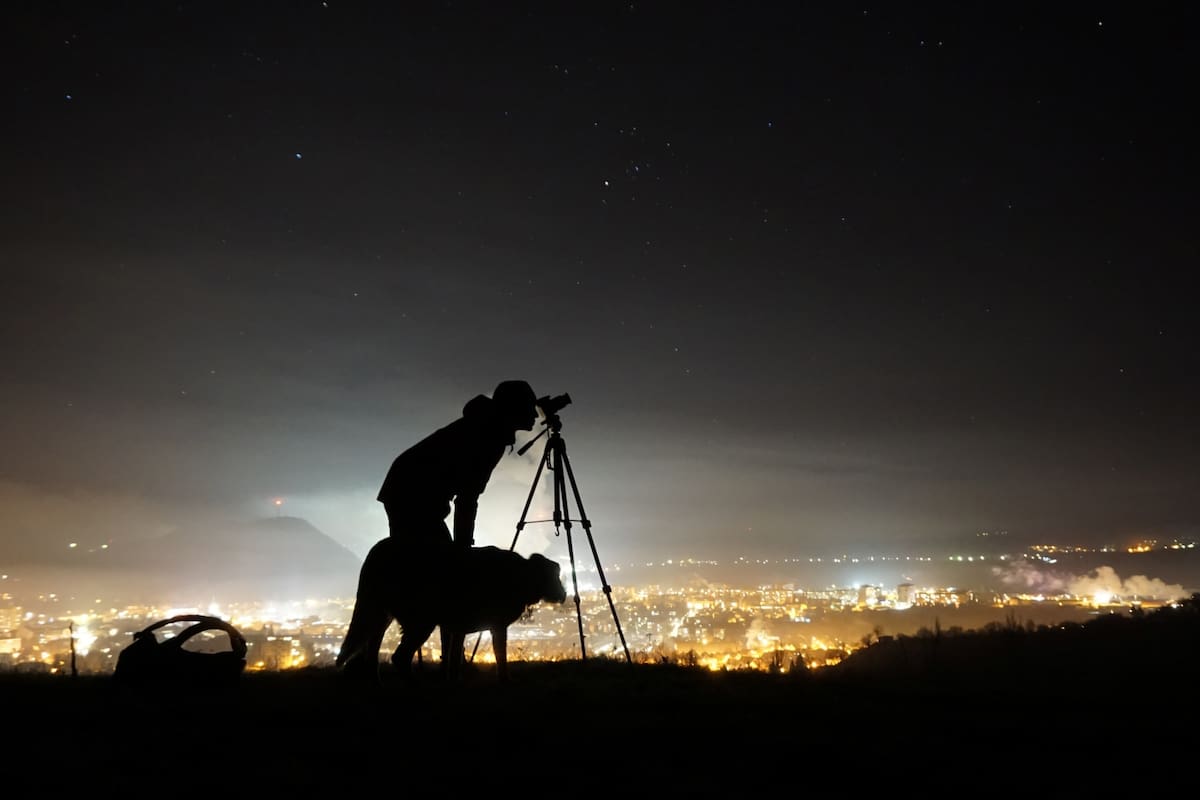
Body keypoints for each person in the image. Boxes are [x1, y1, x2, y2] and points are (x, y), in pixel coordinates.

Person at [337, 379, 539, 680]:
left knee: (421, 576)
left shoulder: (485, 426)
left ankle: (382, 663)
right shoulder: (489, 436)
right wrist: (463, 548)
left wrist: (460, 548)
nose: (535, 416)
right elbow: (468, 497)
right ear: (512, 410)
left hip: (409, 491)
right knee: (435, 580)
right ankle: (434, 667)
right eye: (529, 409)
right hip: (411, 495)